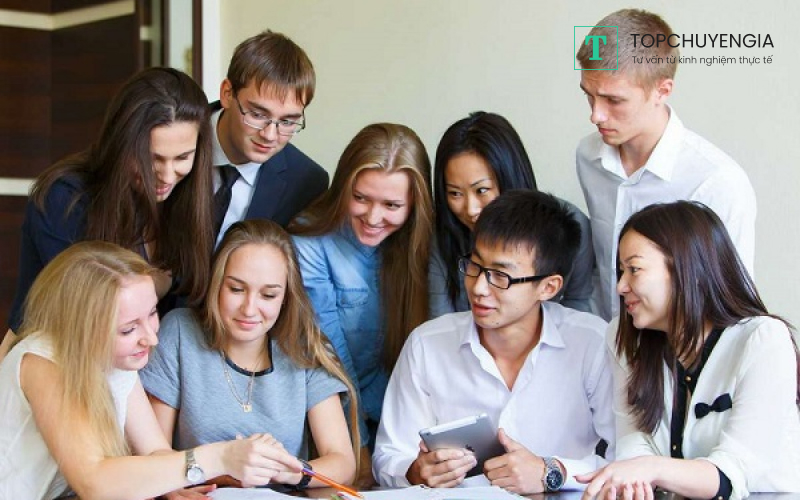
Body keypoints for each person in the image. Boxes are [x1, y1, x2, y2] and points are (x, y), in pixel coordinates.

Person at [0, 241, 304, 500]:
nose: (151, 338)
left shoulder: (117, 356)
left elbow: (154, 452)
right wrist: (220, 456)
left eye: (151, 314)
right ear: (83, 329)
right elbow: (93, 480)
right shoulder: (42, 362)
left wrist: (174, 484)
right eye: (128, 328)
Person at [374, 190, 614, 494]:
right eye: (474, 266)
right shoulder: (427, 344)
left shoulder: (592, 342)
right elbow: (389, 455)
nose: (478, 288)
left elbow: (630, 458)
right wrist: (416, 471)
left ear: (548, 287)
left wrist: (552, 472)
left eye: (500, 276)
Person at [578, 201, 800, 500]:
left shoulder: (762, 339)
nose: (621, 286)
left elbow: (732, 473)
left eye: (634, 269)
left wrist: (651, 469)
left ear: (690, 270)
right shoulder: (624, 337)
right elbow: (633, 448)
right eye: (621, 271)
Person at [4, 66, 214, 354]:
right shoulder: (66, 198)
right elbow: (91, 312)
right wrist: (155, 284)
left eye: (182, 158)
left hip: (142, 367)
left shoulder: (188, 200)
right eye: (152, 159)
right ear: (121, 145)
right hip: (58, 358)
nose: (166, 176)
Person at [140, 219, 359, 489]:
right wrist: (227, 468)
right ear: (216, 283)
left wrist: (284, 471)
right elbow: (152, 456)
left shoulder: (305, 347)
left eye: (268, 295)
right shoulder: (179, 331)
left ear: (286, 297)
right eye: (236, 289)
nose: (249, 309)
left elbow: (343, 463)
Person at [575, 8, 756, 321]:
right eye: (589, 95)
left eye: (613, 100)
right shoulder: (588, 156)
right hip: (605, 339)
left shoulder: (716, 182)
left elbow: (733, 306)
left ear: (662, 90)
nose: (596, 115)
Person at [290, 123, 434, 452]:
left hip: (403, 417)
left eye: (391, 206)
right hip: (334, 418)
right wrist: (359, 446)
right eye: (360, 198)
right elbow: (329, 356)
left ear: (414, 204)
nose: (372, 217)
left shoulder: (425, 244)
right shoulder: (309, 240)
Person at [430, 111, 594, 317]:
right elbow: (441, 321)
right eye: (455, 193)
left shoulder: (569, 226)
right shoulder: (444, 234)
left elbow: (579, 301)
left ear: (509, 177)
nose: (470, 209)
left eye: (482, 190)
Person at [211, 29, 328, 244]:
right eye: (257, 115)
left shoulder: (306, 182)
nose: (270, 135)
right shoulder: (171, 135)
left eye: (287, 121)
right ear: (227, 94)